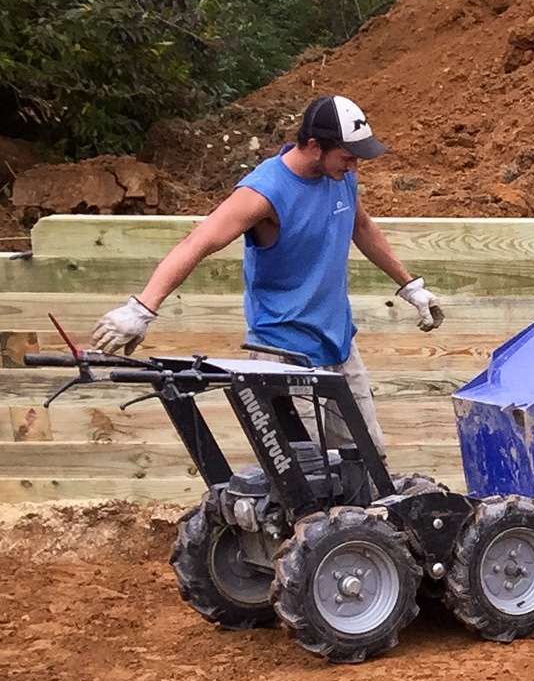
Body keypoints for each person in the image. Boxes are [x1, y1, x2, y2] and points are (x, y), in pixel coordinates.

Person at [92, 95, 442, 459]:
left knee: (369, 462)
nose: (355, 167)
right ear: (312, 146)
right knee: (312, 477)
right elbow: (198, 242)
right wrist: (142, 308)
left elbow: (361, 225)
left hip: (338, 344)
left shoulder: (339, 177)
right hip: (283, 352)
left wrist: (410, 286)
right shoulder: (264, 193)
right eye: (347, 157)